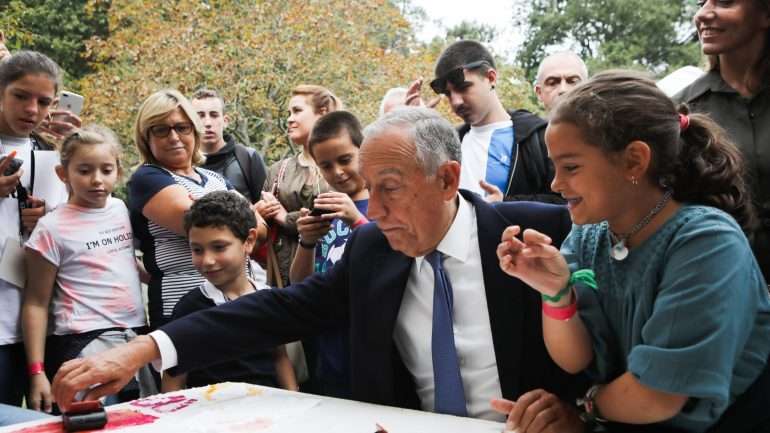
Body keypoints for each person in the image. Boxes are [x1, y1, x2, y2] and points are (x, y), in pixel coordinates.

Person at [52, 107, 587, 433]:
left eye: (391, 190)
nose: (372, 212)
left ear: (448, 180)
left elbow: (612, 336)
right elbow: (277, 311)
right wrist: (144, 348)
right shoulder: (374, 250)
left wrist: (580, 411)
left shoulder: (545, 233)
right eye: (368, 190)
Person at [497, 70, 770, 432]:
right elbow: (575, 360)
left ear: (634, 161)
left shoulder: (706, 243)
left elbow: (658, 395)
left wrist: (584, 410)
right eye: (554, 167)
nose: (555, 183)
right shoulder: (587, 237)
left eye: (572, 167)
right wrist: (556, 292)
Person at [22, 126, 154, 412]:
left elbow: (125, 263)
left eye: (106, 170)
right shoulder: (50, 228)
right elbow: (35, 303)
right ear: (62, 174)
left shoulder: (120, 209)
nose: (96, 180)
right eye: (84, 171)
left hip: (133, 337)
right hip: (82, 342)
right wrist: (37, 372)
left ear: (118, 171)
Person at [128, 89, 266, 328]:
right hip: (182, 309)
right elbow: (202, 224)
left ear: (194, 130)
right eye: (161, 129)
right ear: (146, 137)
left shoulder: (213, 178)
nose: (174, 137)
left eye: (182, 127)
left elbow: (261, 232)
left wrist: (241, 217)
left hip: (237, 302)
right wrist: (245, 213)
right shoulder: (147, 177)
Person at [161, 191, 296, 392]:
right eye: (197, 250)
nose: (207, 260)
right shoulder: (189, 308)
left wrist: (294, 400)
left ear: (249, 241)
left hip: (270, 412)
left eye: (219, 247)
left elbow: (279, 358)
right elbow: (174, 379)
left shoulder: (268, 300)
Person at [674, 0, 770, 282]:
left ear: (765, 14)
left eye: (725, 2)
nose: (704, 14)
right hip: (722, 283)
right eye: (702, 2)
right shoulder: (680, 111)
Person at [0, 50, 68, 407]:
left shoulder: (49, 153)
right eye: (21, 96)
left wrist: (45, 218)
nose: (32, 110)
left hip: (40, 322)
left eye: (43, 102)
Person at [414, 40, 561, 204]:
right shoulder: (447, 145)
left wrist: (505, 204)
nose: (455, 101)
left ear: (491, 78)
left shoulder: (541, 136)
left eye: (463, 87)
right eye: (448, 94)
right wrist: (411, 132)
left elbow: (566, 204)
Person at [288, 111, 369, 398]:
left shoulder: (385, 204)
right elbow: (300, 283)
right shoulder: (326, 211)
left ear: (364, 151)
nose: (337, 172)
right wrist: (307, 242)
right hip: (329, 344)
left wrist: (356, 220)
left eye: (345, 160)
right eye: (326, 165)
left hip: (372, 341)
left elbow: (395, 260)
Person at [255, 84, 339, 287]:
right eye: (288, 113)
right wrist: (258, 212)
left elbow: (339, 215)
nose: (289, 119)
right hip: (283, 280)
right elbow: (261, 228)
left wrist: (285, 218)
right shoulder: (279, 170)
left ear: (322, 113)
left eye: (297, 111)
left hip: (329, 273)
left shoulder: (341, 166)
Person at [191, 88, 267, 204]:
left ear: (225, 121)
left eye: (214, 115)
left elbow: (268, 206)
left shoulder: (247, 157)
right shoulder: (182, 164)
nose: (208, 123)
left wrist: (258, 212)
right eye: (200, 116)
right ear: (191, 122)